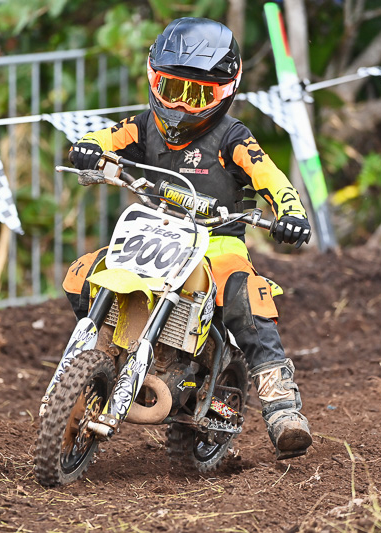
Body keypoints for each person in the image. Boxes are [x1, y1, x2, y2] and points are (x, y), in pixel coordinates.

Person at [64, 17, 313, 459]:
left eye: (195, 94)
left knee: (245, 295)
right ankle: (104, 353)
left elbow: (269, 176)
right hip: (153, 230)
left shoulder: (233, 137)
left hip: (217, 242)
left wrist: (291, 211)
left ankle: (281, 405)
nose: (179, 104)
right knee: (85, 273)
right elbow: (104, 136)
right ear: (152, 78)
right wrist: (88, 145)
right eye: (171, 87)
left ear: (224, 91)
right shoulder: (144, 127)